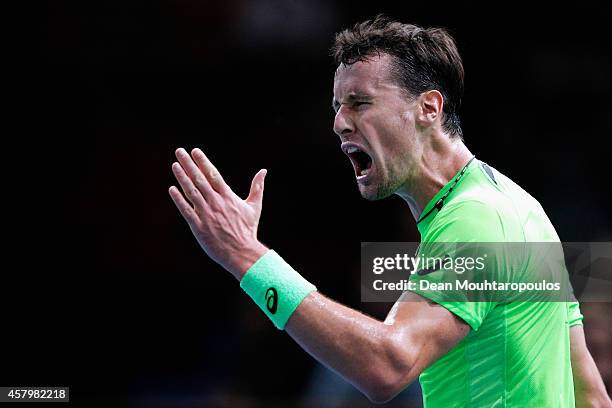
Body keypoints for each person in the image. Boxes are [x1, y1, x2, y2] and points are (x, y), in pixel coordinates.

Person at [168, 16, 611, 407]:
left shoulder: (474, 218)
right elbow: (589, 394)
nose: (340, 122)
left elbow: (388, 366)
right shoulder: (519, 204)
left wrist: (247, 259)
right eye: (337, 106)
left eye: (360, 102)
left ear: (428, 108)